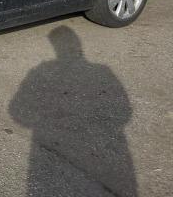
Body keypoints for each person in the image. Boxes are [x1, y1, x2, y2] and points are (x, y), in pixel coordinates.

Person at [8, 25, 137, 196]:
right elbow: (124, 112)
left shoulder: (42, 70)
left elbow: (16, 110)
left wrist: (45, 120)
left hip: (51, 152)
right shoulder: (102, 71)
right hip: (103, 154)